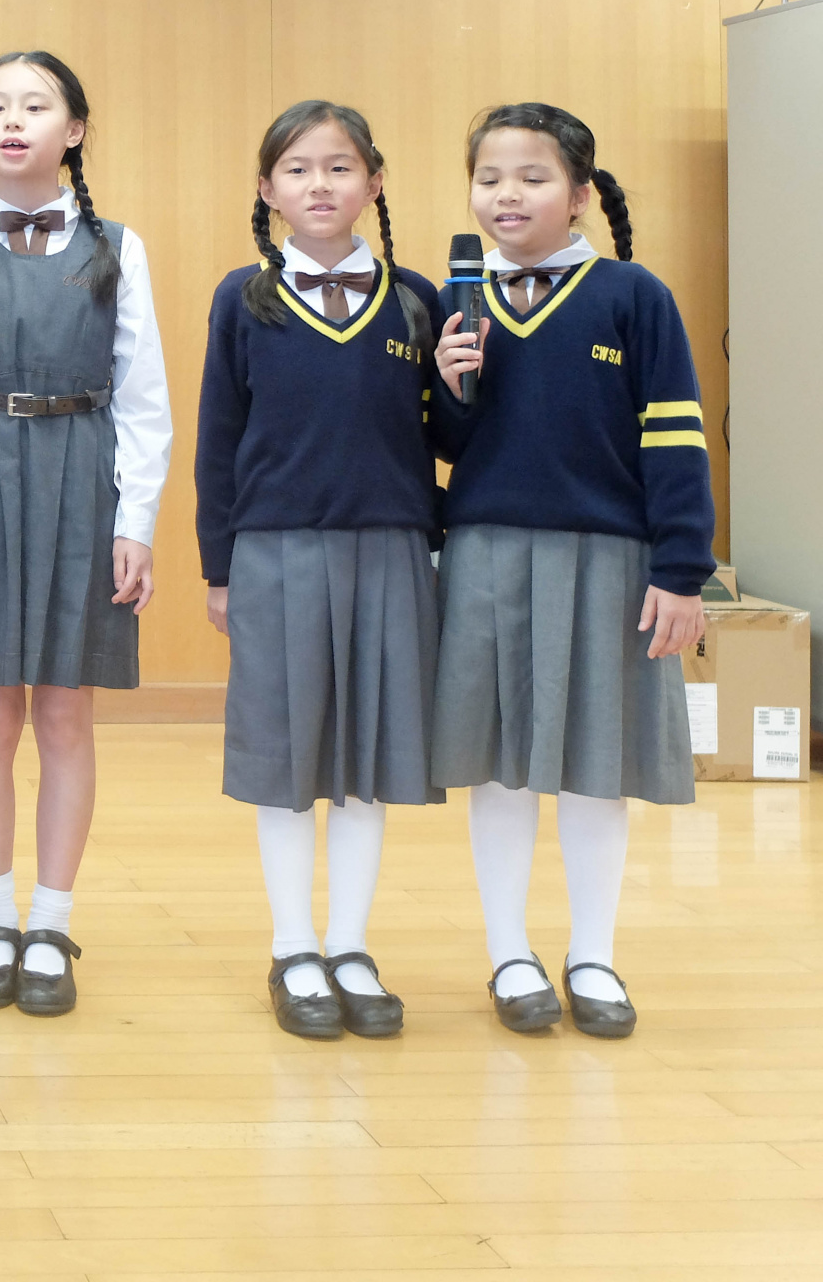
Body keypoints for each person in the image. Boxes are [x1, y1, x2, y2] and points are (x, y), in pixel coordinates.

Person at [433, 103, 714, 1039]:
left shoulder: (633, 295)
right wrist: (449, 381)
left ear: (581, 193)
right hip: (484, 551)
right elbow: (445, 442)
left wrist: (683, 569)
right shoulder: (456, 301)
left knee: (600, 763)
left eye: (533, 177)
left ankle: (593, 953)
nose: (506, 195)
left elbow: (675, 435)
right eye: (489, 179)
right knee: (500, 767)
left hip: (611, 558)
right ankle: (508, 953)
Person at [0, 51, 172, 1017]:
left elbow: (143, 398)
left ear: (75, 129)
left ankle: (51, 923)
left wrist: (135, 521)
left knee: (64, 715)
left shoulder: (116, 247)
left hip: (80, 474)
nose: (13, 121)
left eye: (35, 105)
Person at [196, 100, 444, 1039]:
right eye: (298, 169)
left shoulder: (417, 298)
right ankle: (294, 946)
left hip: (393, 546)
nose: (320, 185)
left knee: (369, 756)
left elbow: (452, 430)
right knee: (286, 754)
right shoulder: (242, 299)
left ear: (374, 183)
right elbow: (220, 438)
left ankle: (350, 944)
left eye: (340, 167)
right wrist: (219, 564)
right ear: (268, 189)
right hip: (276, 549)